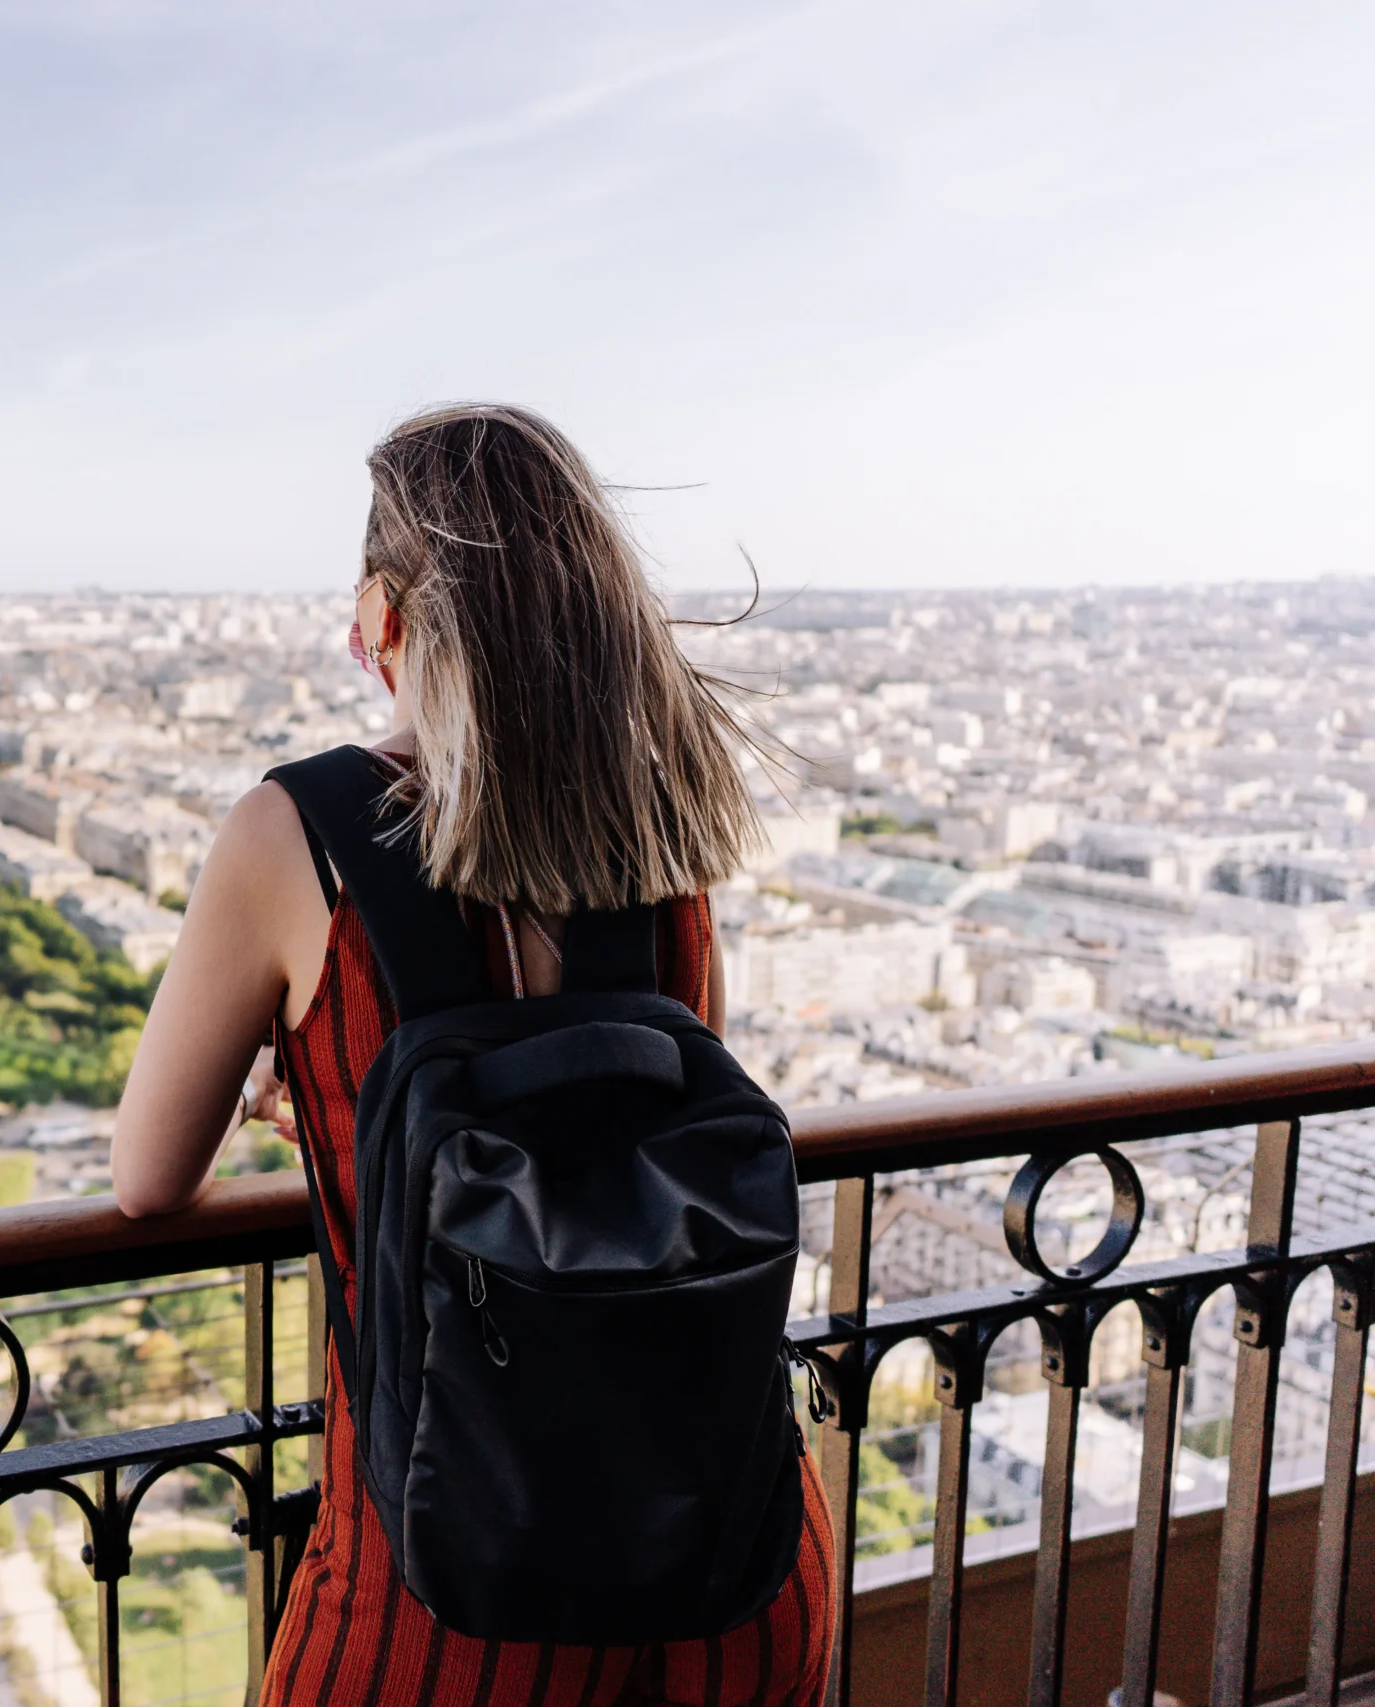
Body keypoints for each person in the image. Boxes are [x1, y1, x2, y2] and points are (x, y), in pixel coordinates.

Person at [110, 404, 834, 1706]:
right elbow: (629, 1130)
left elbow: (149, 1174)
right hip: (730, 1547)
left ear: (385, 610)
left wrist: (328, 1097)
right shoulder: (661, 824)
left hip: (455, 1579)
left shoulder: (301, 835)